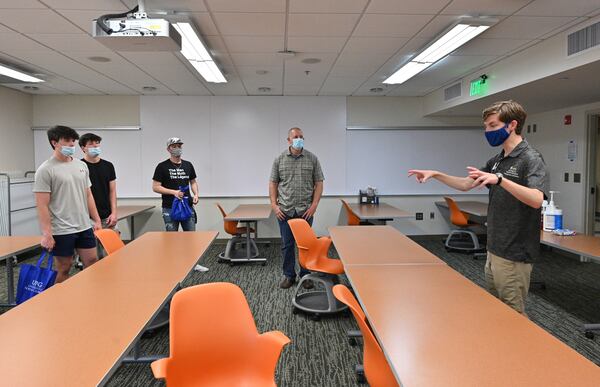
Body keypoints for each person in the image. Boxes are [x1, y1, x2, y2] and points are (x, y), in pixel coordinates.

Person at [408, 100, 548, 315]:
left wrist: (500, 180)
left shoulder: (530, 158)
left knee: (512, 314)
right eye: (486, 127)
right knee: (494, 309)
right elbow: (466, 184)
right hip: (495, 246)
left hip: (515, 250)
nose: (487, 131)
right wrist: (436, 174)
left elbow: (537, 199)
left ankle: (516, 349)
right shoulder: (498, 159)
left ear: (512, 125)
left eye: (492, 125)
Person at [33, 125, 102, 283]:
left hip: (84, 225)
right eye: (67, 141)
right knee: (64, 267)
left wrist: (96, 219)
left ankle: (91, 297)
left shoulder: (81, 165)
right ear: (54, 142)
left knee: (92, 261)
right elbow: (42, 204)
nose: (72, 144)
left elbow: (88, 194)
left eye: (73, 141)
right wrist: (47, 234)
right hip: (61, 228)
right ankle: (59, 301)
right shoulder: (46, 170)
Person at [270, 127, 324, 289]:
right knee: (287, 245)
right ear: (288, 140)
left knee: (305, 245)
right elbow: (273, 183)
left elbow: (319, 183)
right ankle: (289, 275)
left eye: (301, 136)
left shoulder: (312, 159)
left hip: (305, 211)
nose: (299, 139)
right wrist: (274, 205)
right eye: (295, 137)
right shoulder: (279, 159)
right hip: (285, 211)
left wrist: (314, 205)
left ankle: (305, 275)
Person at [152, 137, 207, 272]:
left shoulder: (188, 165)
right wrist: (173, 192)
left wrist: (196, 194)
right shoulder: (162, 166)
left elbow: (193, 181)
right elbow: (155, 187)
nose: (177, 148)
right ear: (168, 149)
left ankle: (194, 264)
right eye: (174, 146)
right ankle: (173, 264)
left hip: (187, 206)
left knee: (191, 237)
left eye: (179, 145)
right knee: (172, 238)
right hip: (169, 207)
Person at [79, 133, 117, 231]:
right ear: (83, 148)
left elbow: (112, 192)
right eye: (91, 144)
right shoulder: (79, 166)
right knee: (91, 246)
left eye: (97, 143)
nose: (95, 146)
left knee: (113, 245)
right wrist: (96, 220)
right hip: (86, 218)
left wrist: (114, 213)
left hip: (107, 216)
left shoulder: (108, 166)